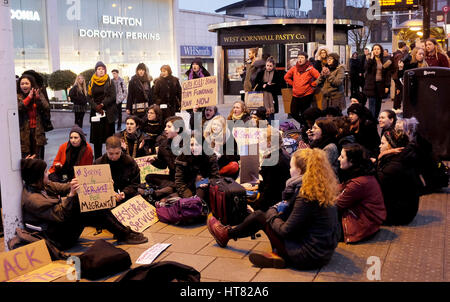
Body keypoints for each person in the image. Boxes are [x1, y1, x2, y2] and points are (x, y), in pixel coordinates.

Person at [207, 148, 340, 269]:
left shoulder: (305, 195)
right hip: (323, 253)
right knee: (267, 215)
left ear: (299, 171)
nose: (289, 170)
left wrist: (271, 214)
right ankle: (277, 254)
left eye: (291, 167)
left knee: (261, 216)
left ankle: (226, 234)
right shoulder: (319, 187)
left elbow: (285, 230)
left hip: (308, 256)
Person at [20, 158, 147, 250]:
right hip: (58, 238)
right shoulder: (33, 199)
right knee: (82, 202)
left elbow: (64, 187)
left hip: (59, 228)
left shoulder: (43, 185)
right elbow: (60, 215)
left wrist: (98, 183)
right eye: (44, 172)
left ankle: (123, 232)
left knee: (93, 206)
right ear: (37, 177)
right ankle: (123, 233)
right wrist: (71, 195)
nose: (48, 173)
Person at [336, 143, 386, 243]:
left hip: (362, 224)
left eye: (342, 157)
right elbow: (339, 188)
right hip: (370, 221)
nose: (338, 159)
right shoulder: (361, 173)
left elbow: (336, 205)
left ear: (352, 162)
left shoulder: (357, 183)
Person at [376, 130, 420, 225]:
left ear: (392, 146)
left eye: (382, 143)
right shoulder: (401, 158)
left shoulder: (395, 166)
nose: (379, 146)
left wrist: (380, 157)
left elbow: (375, 183)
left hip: (399, 214)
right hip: (406, 209)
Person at [144, 116, 185, 199]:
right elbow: (163, 165)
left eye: (169, 127)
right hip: (172, 178)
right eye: (166, 126)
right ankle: (170, 189)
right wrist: (154, 161)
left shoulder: (188, 143)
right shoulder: (163, 145)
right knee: (148, 177)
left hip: (186, 178)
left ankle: (161, 192)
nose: (165, 129)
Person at [253, 125, 291, 211]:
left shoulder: (273, 162)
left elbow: (269, 193)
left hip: (274, 204)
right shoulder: (282, 153)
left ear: (269, 143)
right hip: (278, 198)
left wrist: (254, 208)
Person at [94, 136, 141, 205]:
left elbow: (135, 184)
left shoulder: (130, 162)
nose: (114, 157)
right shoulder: (98, 163)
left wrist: (125, 192)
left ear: (121, 150)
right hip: (105, 200)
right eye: (111, 154)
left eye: (117, 153)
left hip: (126, 198)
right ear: (106, 150)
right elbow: (93, 186)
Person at [174, 133, 220, 200]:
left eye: (197, 144)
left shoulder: (210, 156)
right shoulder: (182, 158)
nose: (194, 148)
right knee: (167, 200)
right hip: (188, 188)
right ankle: (195, 203)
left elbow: (216, 178)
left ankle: (197, 203)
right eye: (191, 145)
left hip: (206, 188)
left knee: (199, 178)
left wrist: (207, 182)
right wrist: (189, 197)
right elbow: (179, 182)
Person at [87, 61, 117, 160]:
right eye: (99, 69)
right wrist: (96, 107)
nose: (101, 71)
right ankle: (98, 160)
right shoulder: (91, 82)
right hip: (96, 113)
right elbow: (89, 97)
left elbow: (113, 96)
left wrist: (102, 104)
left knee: (109, 139)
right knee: (97, 140)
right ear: (96, 70)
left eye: (102, 69)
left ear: (105, 70)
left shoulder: (109, 81)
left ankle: (111, 158)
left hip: (107, 113)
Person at [17, 74, 50, 159]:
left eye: (26, 83)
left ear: (31, 84)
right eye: (22, 83)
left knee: (38, 158)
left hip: (38, 131)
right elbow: (17, 108)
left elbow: (46, 107)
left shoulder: (38, 93)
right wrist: (28, 98)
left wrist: (38, 99)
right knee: (26, 158)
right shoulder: (17, 96)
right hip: (24, 132)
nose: (24, 85)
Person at [284, 52, 320, 127]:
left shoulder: (310, 69)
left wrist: (313, 84)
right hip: (295, 94)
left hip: (306, 94)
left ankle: (304, 128)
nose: (300, 59)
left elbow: (319, 77)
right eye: (299, 57)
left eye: (302, 57)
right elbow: (286, 77)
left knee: (305, 113)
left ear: (306, 59)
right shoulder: (294, 68)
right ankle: (305, 124)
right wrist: (293, 84)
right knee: (293, 112)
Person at [363, 44, 392, 119]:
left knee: (378, 104)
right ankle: (371, 120)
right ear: (372, 51)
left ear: (381, 50)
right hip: (371, 85)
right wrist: (371, 58)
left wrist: (387, 86)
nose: (376, 50)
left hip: (380, 85)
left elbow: (387, 75)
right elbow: (366, 68)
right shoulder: (369, 59)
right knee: (372, 104)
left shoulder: (384, 60)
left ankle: (375, 118)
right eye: (375, 49)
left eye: (378, 49)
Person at [254, 56, 284, 121]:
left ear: (273, 66)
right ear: (265, 65)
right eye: (267, 65)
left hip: (272, 98)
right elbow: (256, 84)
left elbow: (278, 88)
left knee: (272, 116)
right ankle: (263, 129)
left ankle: (273, 129)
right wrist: (263, 85)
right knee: (262, 115)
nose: (269, 67)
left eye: (270, 66)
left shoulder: (276, 74)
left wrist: (267, 86)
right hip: (262, 98)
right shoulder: (261, 73)